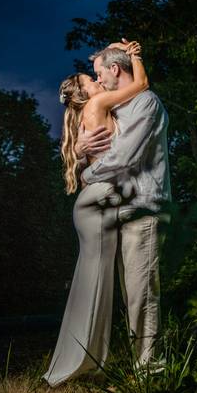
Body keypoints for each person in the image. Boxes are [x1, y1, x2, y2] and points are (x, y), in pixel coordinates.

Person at [43, 40, 148, 387]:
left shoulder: (91, 110)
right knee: (96, 283)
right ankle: (80, 363)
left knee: (92, 282)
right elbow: (141, 85)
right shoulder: (99, 102)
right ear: (84, 91)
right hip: (98, 201)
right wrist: (133, 55)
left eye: (97, 74)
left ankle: (83, 361)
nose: (97, 80)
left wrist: (113, 47)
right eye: (91, 79)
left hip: (94, 201)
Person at [75, 41, 172, 372]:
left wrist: (87, 174)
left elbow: (124, 157)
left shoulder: (146, 103)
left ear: (115, 70)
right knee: (132, 293)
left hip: (144, 210)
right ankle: (141, 365)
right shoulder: (118, 107)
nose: (98, 80)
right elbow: (97, 145)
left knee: (142, 294)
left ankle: (151, 374)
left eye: (100, 72)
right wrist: (79, 149)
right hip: (121, 211)